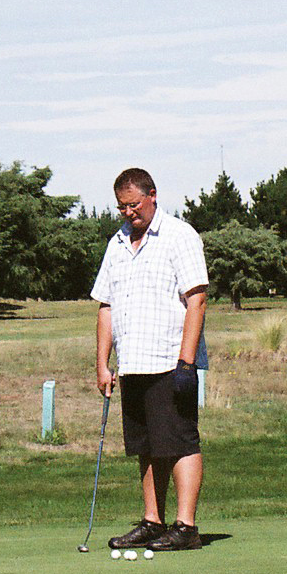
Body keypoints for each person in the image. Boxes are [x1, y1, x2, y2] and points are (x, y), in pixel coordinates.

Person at [90, 168, 210, 553]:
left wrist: (186, 363)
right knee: (146, 445)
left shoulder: (179, 235)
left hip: (169, 358)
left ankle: (186, 525)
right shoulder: (117, 244)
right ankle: (153, 520)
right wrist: (102, 363)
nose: (128, 213)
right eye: (121, 207)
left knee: (179, 441)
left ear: (152, 196)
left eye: (134, 205)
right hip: (133, 361)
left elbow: (197, 298)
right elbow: (106, 306)